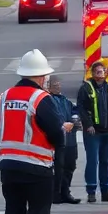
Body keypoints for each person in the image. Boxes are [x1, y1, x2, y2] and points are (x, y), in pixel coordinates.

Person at [0, 49, 73, 214]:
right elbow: (55, 132)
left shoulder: (4, 96)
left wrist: (10, 146)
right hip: (37, 166)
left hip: (9, 165)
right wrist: (55, 145)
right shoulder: (41, 98)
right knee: (38, 212)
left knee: (13, 210)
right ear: (42, 76)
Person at [77, 60, 108, 203]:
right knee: (92, 161)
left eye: (102, 71)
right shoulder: (86, 89)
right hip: (93, 132)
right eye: (98, 72)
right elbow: (81, 108)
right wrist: (88, 125)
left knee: (105, 162)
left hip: (107, 131)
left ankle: (106, 191)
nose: (100, 75)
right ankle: (91, 191)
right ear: (93, 74)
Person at [46, 75, 82, 205]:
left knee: (70, 166)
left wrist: (74, 119)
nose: (57, 86)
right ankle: (56, 194)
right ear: (48, 86)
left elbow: (75, 110)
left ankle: (66, 192)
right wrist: (62, 124)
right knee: (58, 168)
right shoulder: (48, 100)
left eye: (58, 84)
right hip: (58, 140)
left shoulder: (65, 100)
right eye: (54, 84)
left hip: (70, 139)